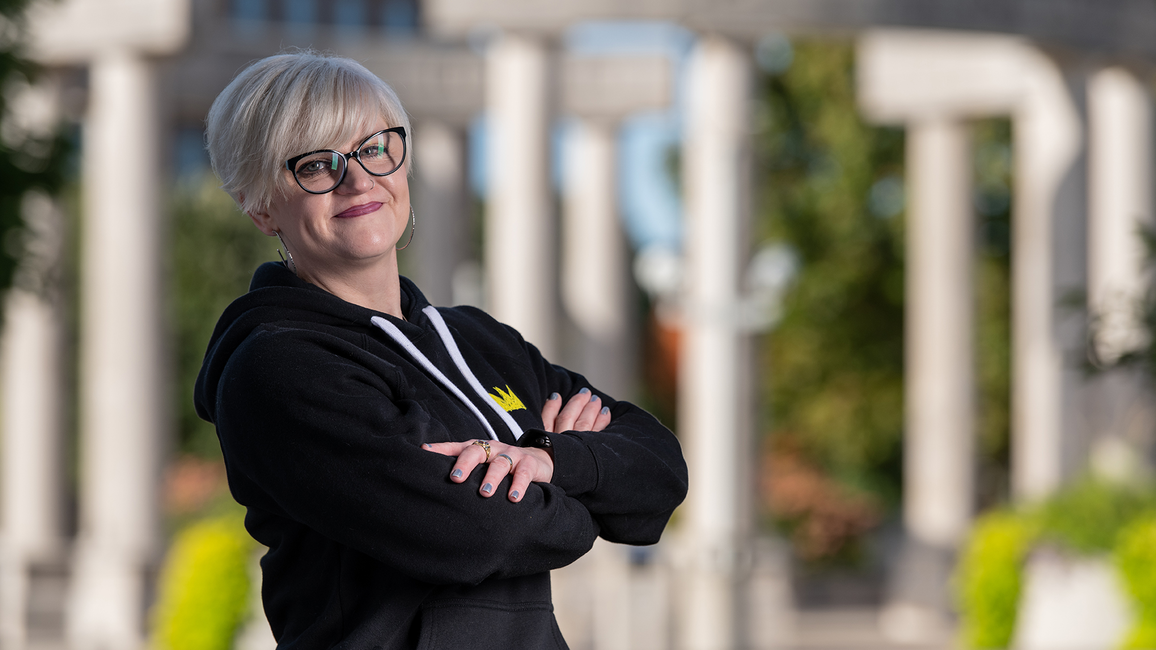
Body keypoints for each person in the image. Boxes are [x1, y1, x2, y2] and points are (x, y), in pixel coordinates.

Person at [193, 51, 687, 649]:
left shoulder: (479, 341)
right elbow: (481, 535)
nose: (358, 180)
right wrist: (585, 500)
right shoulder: (274, 368)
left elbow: (660, 469)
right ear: (261, 205)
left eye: (375, 147)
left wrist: (551, 460)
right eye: (317, 165)